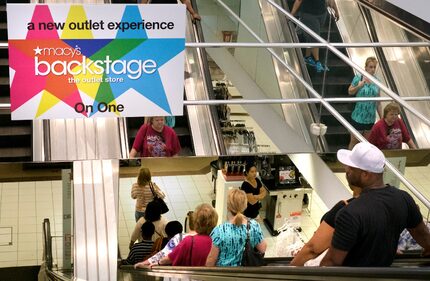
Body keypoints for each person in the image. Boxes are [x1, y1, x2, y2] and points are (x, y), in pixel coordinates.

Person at [320, 142, 430, 266]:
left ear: (365, 174)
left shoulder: (349, 213)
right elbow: (423, 235)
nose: (346, 170)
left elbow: (331, 263)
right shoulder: (404, 199)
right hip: (384, 273)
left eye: (351, 167)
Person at [290, 184, 362, 266]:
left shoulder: (345, 209)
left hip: (338, 269)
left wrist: (290, 270)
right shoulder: (378, 206)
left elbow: (313, 249)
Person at [206, 189, 267, 267]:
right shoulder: (254, 226)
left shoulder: (219, 231)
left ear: (228, 207)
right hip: (246, 273)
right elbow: (262, 249)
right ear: (245, 206)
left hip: (224, 275)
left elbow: (211, 260)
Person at [291, 0, 339, 73]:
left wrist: (336, 11)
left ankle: (307, 57)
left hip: (322, 14)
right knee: (315, 38)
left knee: (311, 36)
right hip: (308, 14)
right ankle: (317, 61)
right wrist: (292, 14)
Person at [348, 56, 383, 149]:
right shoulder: (358, 78)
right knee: (354, 141)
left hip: (370, 118)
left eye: (374, 67)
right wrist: (359, 86)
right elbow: (350, 91)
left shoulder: (377, 81)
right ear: (366, 67)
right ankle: (349, 161)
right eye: (371, 67)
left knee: (366, 143)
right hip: (358, 116)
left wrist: (382, 118)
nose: (373, 69)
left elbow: (378, 102)